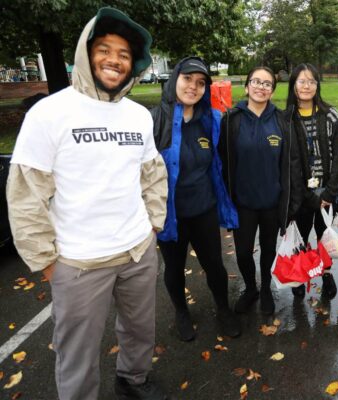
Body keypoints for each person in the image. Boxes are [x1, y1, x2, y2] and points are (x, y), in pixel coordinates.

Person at [6, 8, 168, 400]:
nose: (114, 59)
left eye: (125, 54)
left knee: (140, 329)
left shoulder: (138, 116)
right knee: (76, 353)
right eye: (105, 49)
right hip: (78, 263)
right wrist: (47, 263)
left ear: (134, 65)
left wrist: (152, 226)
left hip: (137, 251)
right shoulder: (50, 113)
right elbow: (26, 195)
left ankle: (132, 380)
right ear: (86, 53)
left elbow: (153, 173)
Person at [151, 57, 241, 341]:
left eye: (201, 83)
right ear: (174, 79)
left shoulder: (211, 120)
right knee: (174, 268)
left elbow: (227, 160)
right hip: (170, 213)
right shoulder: (155, 120)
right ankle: (181, 312)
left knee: (214, 264)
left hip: (204, 209)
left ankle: (223, 310)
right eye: (187, 79)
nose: (193, 86)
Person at [218, 66, 302, 315]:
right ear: (246, 86)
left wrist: (291, 202)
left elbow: (290, 163)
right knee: (243, 252)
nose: (261, 87)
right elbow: (222, 162)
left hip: (271, 203)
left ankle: (265, 288)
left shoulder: (282, 120)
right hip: (242, 203)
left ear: (272, 91)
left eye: (267, 84)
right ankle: (251, 288)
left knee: (268, 250)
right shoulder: (231, 119)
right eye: (256, 81)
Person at [284, 63, 338, 299]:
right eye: (301, 81)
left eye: (311, 81)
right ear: (293, 85)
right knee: (300, 233)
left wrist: (330, 193)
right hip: (300, 193)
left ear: (317, 85)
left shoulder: (331, 115)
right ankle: (300, 274)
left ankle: (326, 273)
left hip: (326, 190)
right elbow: (287, 163)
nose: (307, 86)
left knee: (324, 234)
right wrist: (307, 196)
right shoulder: (286, 119)